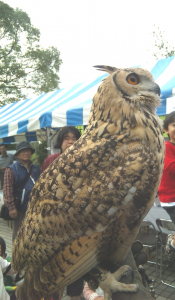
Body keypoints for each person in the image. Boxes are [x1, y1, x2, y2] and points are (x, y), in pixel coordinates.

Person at [41, 126, 83, 300]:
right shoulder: (51, 159)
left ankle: (75, 296)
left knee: (76, 262)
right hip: (54, 222)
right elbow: (41, 189)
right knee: (54, 263)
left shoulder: (84, 160)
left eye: (74, 138)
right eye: (67, 138)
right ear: (61, 142)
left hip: (76, 222)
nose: (71, 141)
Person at [3, 141, 40, 242]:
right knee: (19, 235)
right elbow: (7, 191)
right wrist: (11, 208)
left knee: (34, 233)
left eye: (28, 151)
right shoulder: (11, 170)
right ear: (18, 154)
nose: (26, 153)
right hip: (19, 208)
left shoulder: (36, 168)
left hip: (35, 207)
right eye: (23, 151)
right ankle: (16, 256)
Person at [158, 111, 175, 254]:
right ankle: (172, 243)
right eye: (174, 125)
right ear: (166, 130)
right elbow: (171, 169)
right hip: (171, 199)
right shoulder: (167, 146)